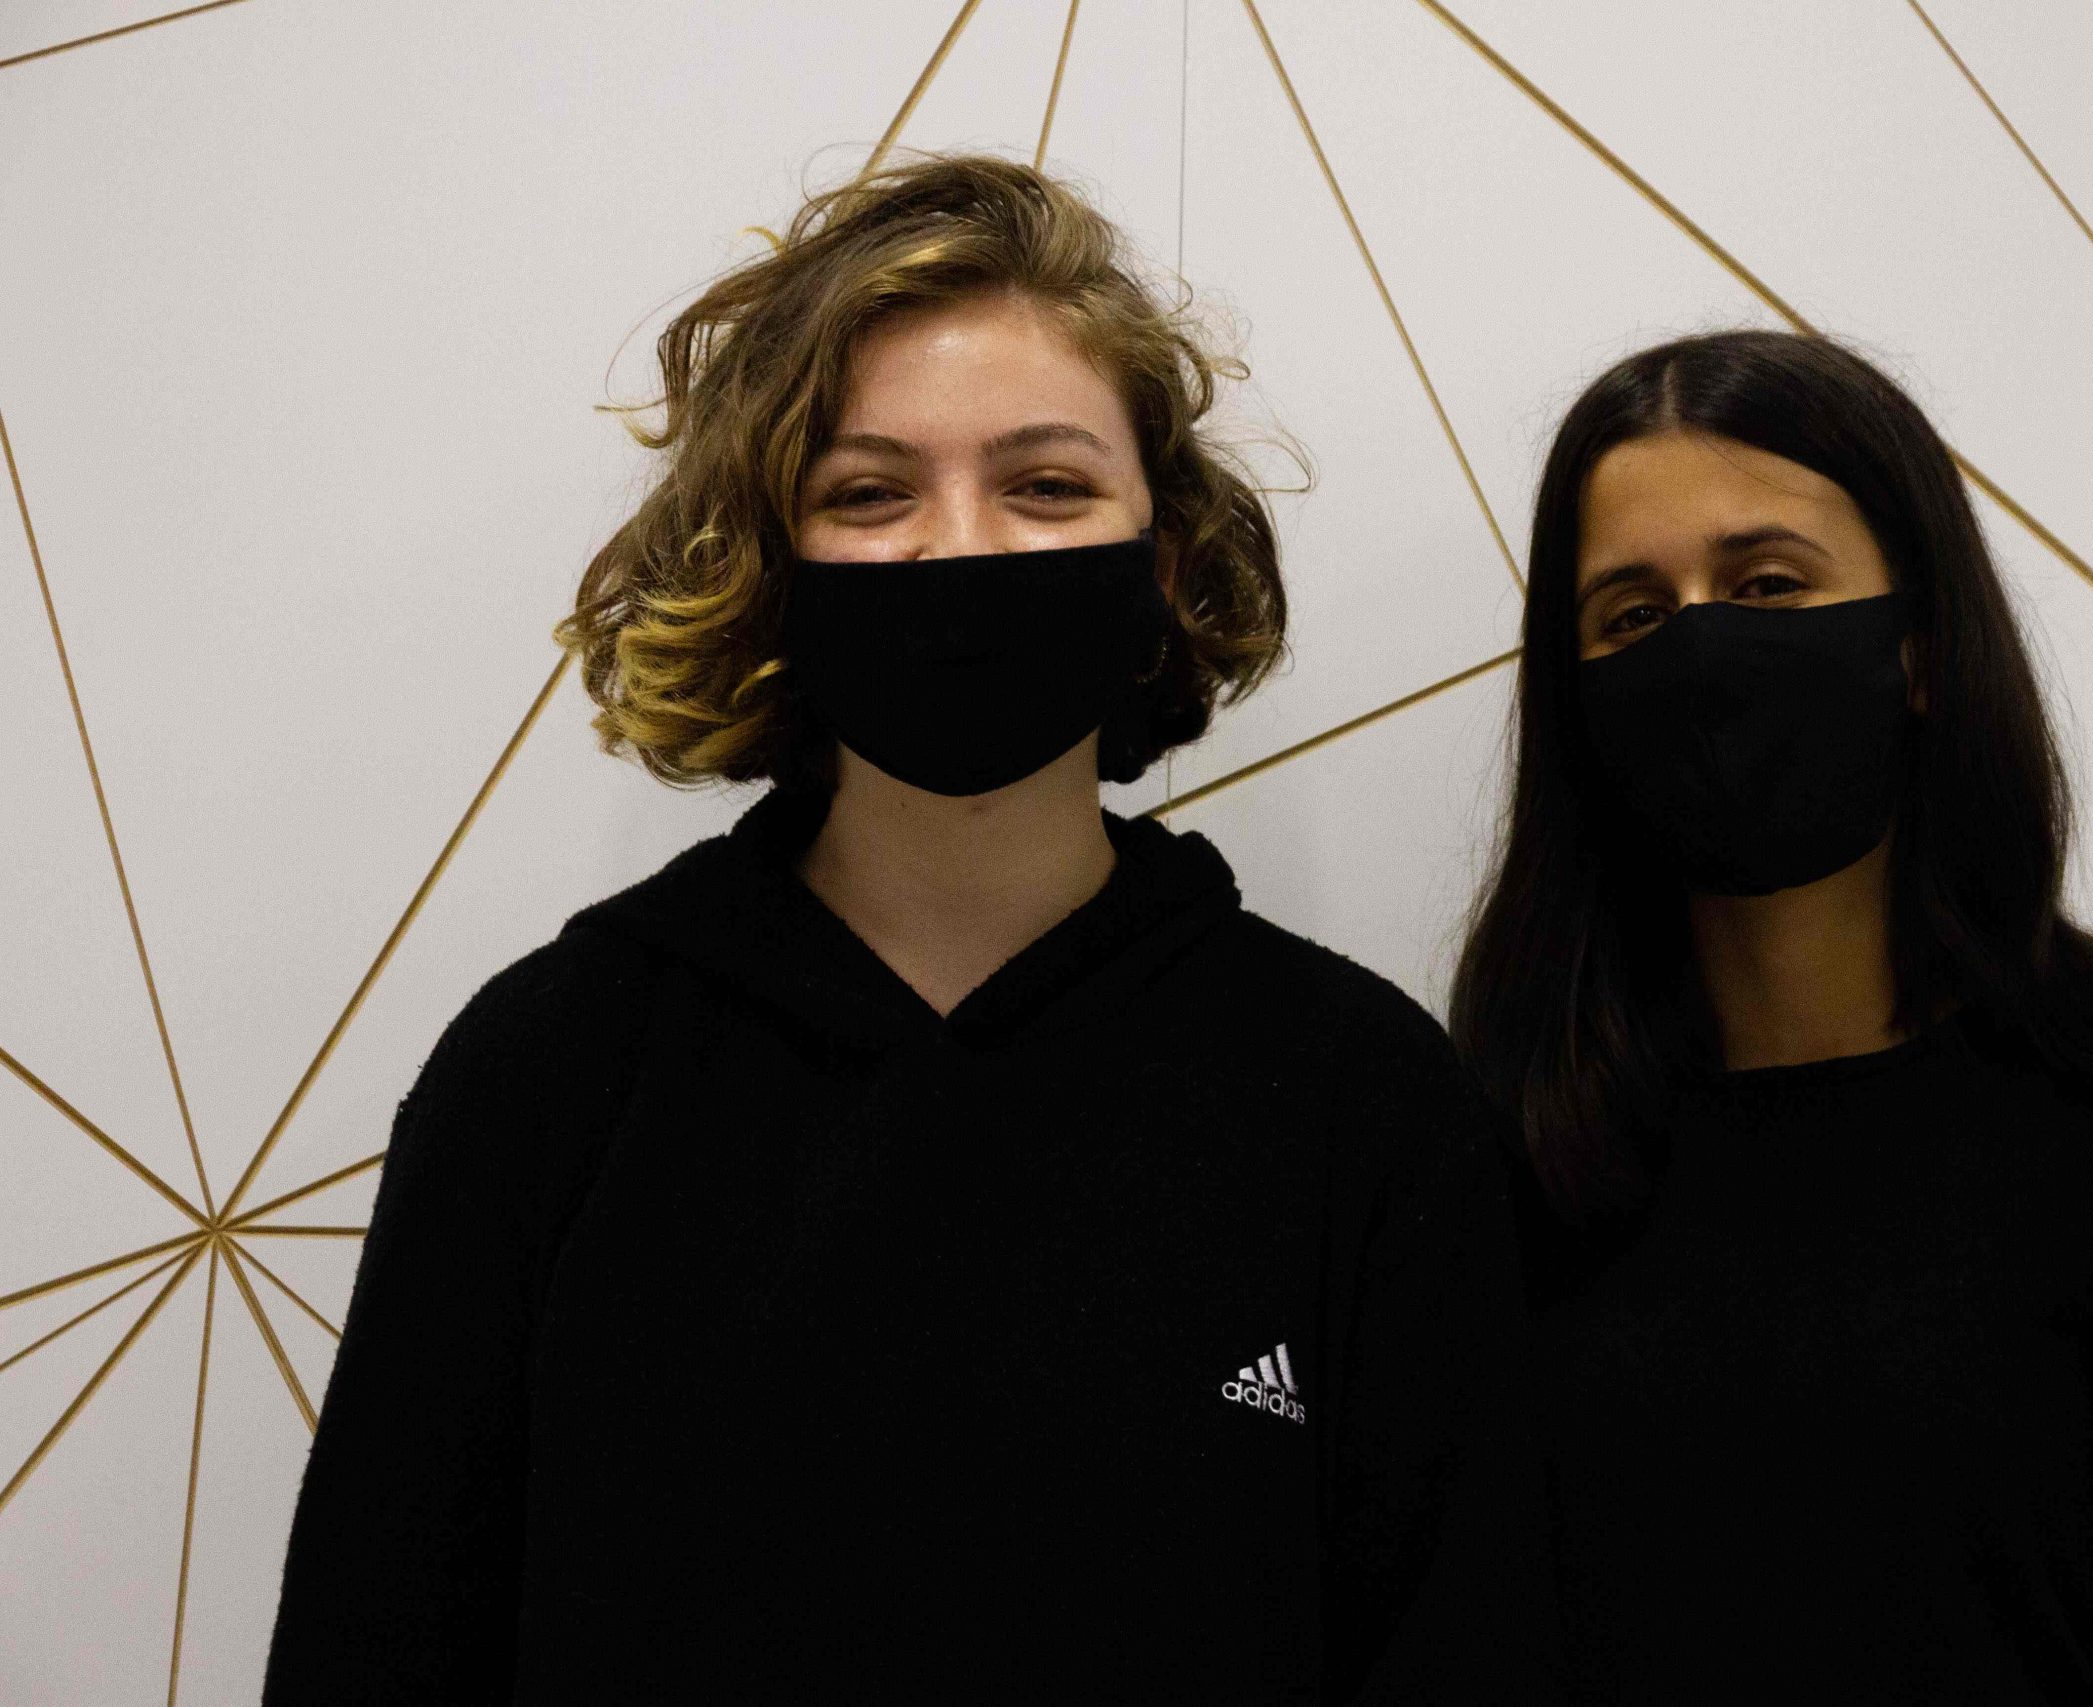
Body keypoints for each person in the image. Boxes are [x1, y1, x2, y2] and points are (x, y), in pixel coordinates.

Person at [265, 155, 1543, 1705]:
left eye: (1047, 485)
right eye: (870, 494)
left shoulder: (1357, 1101)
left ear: (1165, 560)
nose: (962, 550)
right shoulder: (550, 1076)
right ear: (766, 560)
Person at [1451, 330, 2093, 1705]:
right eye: (1632, 615)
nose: (1703, 645)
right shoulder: (1498, 1129)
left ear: (1921, 647)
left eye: (1767, 584)